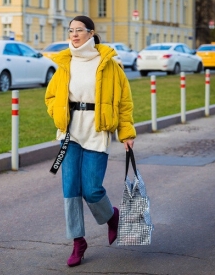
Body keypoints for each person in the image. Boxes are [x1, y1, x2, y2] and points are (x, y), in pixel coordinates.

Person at [45, 15, 136, 267]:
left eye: (79, 30)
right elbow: (51, 95)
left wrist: (126, 133)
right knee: (71, 190)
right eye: (70, 30)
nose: (74, 35)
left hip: (97, 131)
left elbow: (124, 102)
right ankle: (78, 242)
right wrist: (58, 113)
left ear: (91, 33)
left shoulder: (108, 63)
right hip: (70, 133)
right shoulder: (65, 63)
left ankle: (112, 216)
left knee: (92, 189)